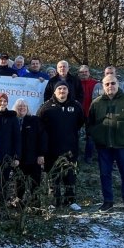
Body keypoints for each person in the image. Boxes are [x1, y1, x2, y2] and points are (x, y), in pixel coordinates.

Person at [88, 75, 124, 212]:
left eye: (113, 83)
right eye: (107, 84)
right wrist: (96, 137)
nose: (110, 86)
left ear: (118, 84)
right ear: (102, 86)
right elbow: (90, 124)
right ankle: (108, 201)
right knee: (104, 174)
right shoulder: (96, 103)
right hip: (104, 146)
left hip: (123, 144)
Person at [37, 81, 85, 211]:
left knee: (70, 176)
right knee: (53, 176)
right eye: (59, 89)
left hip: (70, 149)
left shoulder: (76, 106)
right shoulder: (46, 107)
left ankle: (70, 200)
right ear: (54, 91)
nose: (62, 91)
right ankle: (54, 201)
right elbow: (40, 127)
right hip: (51, 149)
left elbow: (80, 122)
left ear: (68, 91)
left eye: (64, 88)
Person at [13, 98, 45, 207]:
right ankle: (19, 203)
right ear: (15, 108)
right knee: (19, 182)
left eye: (24, 106)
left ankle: (35, 204)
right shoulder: (13, 121)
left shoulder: (34, 120)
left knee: (35, 182)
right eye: (19, 106)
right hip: (19, 159)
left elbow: (42, 138)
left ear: (27, 108)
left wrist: (41, 154)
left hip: (34, 158)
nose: (21, 108)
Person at [78, 65, 99, 163]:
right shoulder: (76, 83)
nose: (84, 74)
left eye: (85, 72)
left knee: (90, 135)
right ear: (78, 74)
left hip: (90, 113)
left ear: (89, 73)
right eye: (82, 72)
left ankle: (89, 156)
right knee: (75, 134)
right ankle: (75, 154)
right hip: (78, 113)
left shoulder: (96, 84)